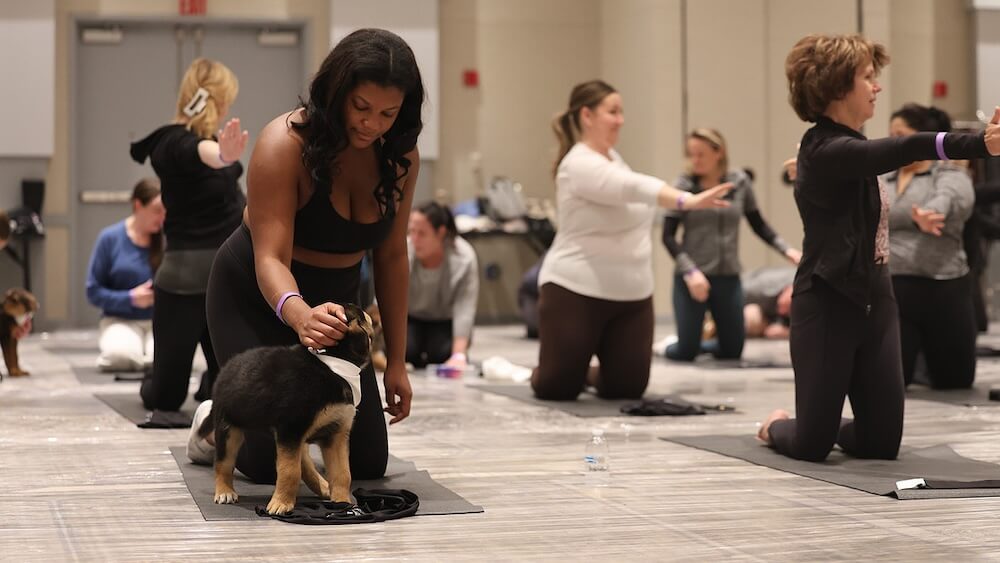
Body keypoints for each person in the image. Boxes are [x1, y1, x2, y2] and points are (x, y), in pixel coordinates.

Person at [757, 34, 1000, 461]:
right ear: (836, 87)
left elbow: (884, 155)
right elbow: (904, 147)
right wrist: (976, 143)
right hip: (827, 302)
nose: (877, 86)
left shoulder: (850, 150)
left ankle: (826, 423)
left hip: (877, 299)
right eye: (867, 77)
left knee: (880, 444)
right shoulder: (824, 148)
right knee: (813, 445)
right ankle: (778, 424)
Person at [201, 28, 421, 482]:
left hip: (334, 306)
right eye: (361, 107)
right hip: (259, 296)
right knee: (266, 466)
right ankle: (210, 422)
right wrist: (299, 315)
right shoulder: (285, 143)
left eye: (388, 113)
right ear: (336, 91)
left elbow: (392, 258)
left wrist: (397, 360)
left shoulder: (400, 155)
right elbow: (270, 259)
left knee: (366, 466)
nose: (372, 123)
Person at [530, 80, 732, 401]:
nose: (621, 119)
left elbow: (631, 191)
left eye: (622, 112)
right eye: (613, 112)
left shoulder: (615, 159)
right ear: (587, 116)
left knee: (627, 388)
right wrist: (686, 200)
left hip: (631, 296)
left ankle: (584, 368)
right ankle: (565, 367)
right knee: (557, 388)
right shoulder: (578, 163)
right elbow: (631, 186)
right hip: (575, 291)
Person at [130, 58, 248, 411]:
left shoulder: (208, 141)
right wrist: (224, 155)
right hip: (183, 283)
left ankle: (208, 379)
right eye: (228, 98)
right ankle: (161, 372)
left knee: (230, 389)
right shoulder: (172, 142)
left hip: (225, 280)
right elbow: (200, 152)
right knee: (165, 397)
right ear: (219, 99)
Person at [660, 129, 801, 361]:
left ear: (719, 153)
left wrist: (787, 250)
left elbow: (759, 225)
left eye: (701, 154)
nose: (694, 160)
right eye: (691, 154)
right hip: (693, 278)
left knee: (732, 350)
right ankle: (669, 346)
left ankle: (700, 345)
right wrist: (691, 272)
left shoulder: (739, 183)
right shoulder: (684, 185)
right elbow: (667, 236)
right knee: (685, 352)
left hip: (727, 276)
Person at [883, 103, 977, 389]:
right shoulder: (882, 177)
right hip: (895, 288)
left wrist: (930, 212)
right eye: (892, 135)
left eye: (902, 135)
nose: (896, 142)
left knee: (955, 380)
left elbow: (949, 197)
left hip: (944, 287)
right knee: (894, 379)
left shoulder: (949, 174)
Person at [85, 178, 165, 371]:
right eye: (156, 210)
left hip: (160, 321)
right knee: (119, 356)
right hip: (119, 320)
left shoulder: (167, 240)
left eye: (165, 211)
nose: (162, 217)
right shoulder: (110, 238)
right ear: (138, 205)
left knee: (163, 355)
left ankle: (150, 362)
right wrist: (130, 298)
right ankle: (150, 363)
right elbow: (93, 291)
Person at [406, 201, 479, 369]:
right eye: (412, 232)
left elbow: (465, 308)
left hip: (444, 320)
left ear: (440, 233)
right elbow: (388, 296)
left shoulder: (464, 257)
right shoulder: (405, 250)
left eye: (422, 234)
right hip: (410, 318)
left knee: (441, 354)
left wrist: (458, 355)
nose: (415, 239)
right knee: (406, 352)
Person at [741, 266, 795, 339]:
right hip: (749, 295)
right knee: (750, 316)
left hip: (770, 317)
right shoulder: (764, 286)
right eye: (789, 307)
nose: (783, 312)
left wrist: (787, 332)